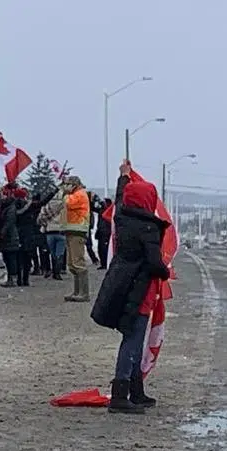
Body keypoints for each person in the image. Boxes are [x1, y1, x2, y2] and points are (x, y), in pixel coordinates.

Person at [90, 175, 171, 414]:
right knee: (134, 341)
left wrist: (123, 177)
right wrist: (165, 271)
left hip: (123, 284)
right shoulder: (148, 227)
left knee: (133, 337)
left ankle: (135, 390)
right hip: (140, 289)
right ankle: (121, 393)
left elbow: (117, 201)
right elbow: (154, 262)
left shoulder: (122, 219)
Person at [61, 174, 92, 302]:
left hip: (78, 231)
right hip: (71, 230)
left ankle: (84, 293)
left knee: (78, 263)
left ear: (74, 184)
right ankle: (77, 291)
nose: (65, 186)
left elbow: (68, 203)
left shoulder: (79, 194)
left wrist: (66, 194)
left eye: (67, 184)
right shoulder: (75, 194)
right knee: (72, 264)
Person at [0, 188, 24, 286]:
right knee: (7, 258)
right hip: (5, 236)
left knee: (11, 258)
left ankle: (13, 279)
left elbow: (9, 222)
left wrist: (2, 232)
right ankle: (11, 278)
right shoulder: (3, 208)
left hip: (10, 236)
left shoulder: (10, 208)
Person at [38, 185, 67, 280]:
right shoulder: (64, 205)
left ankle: (50, 270)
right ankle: (57, 273)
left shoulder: (46, 206)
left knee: (51, 253)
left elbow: (40, 219)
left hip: (49, 232)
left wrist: (45, 225)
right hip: (61, 232)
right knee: (60, 254)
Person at [94, 195, 113, 270]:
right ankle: (103, 263)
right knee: (100, 249)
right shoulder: (101, 210)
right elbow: (93, 208)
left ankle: (105, 264)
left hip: (106, 232)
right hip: (101, 231)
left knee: (104, 249)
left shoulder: (108, 210)